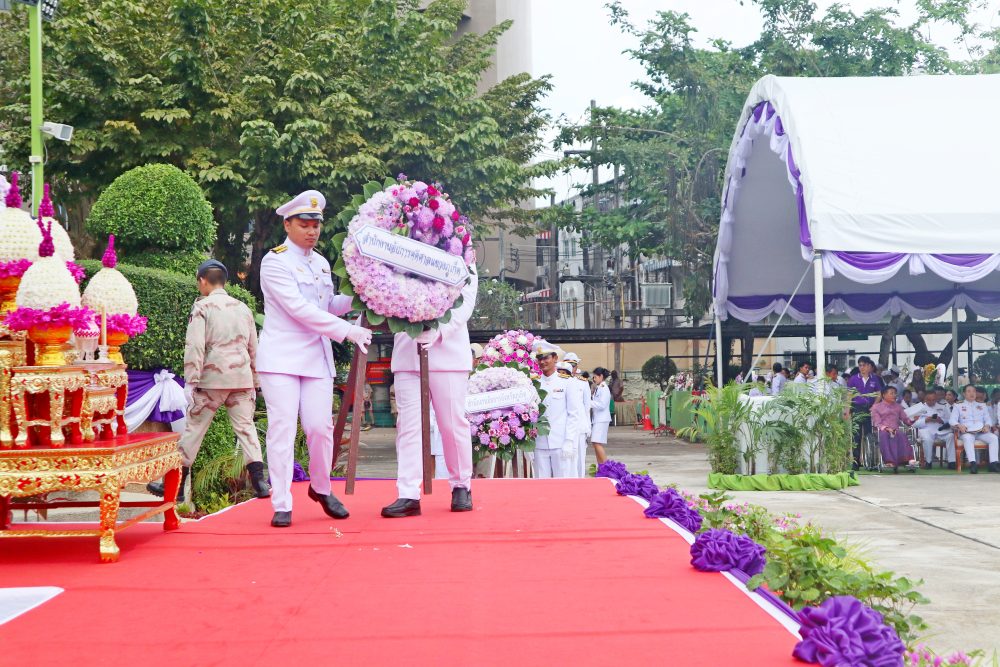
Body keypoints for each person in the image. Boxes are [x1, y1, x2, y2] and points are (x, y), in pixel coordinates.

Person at [257, 190, 373, 528]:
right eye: (304, 224)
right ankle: (282, 501)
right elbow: (298, 309)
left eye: (316, 225)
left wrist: (362, 294)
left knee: (320, 428)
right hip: (282, 358)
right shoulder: (274, 261)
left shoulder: (321, 263)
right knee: (281, 429)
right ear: (288, 225)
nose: (312, 231)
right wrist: (347, 332)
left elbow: (327, 306)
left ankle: (321, 488)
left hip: (315, 358)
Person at [146, 260, 269, 501]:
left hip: (212, 379)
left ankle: (175, 488)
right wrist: (256, 381)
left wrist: (191, 380)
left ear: (203, 280)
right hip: (241, 379)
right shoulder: (243, 308)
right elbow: (254, 348)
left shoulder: (202, 307)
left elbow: (195, 346)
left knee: (194, 430)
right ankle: (260, 483)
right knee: (246, 428)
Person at [381, 264, 479, 517]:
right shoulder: (401, 247)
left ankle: (461, 486)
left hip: (448, 353)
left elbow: (465, 301)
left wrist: (440, 331)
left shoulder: (461, 253)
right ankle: (408, 493)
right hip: (408, 350)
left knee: (452, 424)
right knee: (408, 426)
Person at [532, 341, 582, 478]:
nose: (542, 362)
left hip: (560, 442)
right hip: (539, 443)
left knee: (563, 484)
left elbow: (573, 414)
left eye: (546, 358)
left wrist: (569, 440)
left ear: (555, 358)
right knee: (541, 485)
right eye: (539, 358)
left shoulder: (567, 382)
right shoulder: (533, 383)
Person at [950, 384, 1000, 474]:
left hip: (981, 432)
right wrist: (959, 425)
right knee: (968, 438)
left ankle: (993, 464)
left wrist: (987, 425)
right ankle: (973, 464)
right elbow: (952, 420)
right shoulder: (958, 405)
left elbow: (988, 419)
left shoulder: (982, 405)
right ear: (964, 394)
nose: (972, 393)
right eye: (969, 391)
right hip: (967, 432)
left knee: (994, 438)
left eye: (974, 391)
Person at [847, 356, 883, 469]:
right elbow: (849, 395)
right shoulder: (853, 379)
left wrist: (874, 406)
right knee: (856, 436)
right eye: (860, 365)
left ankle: (870, 461)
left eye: (864, 365)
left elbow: (879, 394)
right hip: (857, 408)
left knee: (868, 435)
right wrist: (847, 410)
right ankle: (855, 462)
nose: (862, 368)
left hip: (869, 409)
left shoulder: (874, 379)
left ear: (869, 366)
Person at [870, 386, 916, 472]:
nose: (894, 395)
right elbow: (877, 422)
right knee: (885, 436)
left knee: (901, 435)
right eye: (891, 393)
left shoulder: (898, 407)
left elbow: (905, 419)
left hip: (895, 429)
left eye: (895, 393)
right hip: (882, 430)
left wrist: (913, 420)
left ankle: (908, 459)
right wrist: (886, 428)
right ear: (884, 395)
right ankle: (889, 461)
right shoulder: (876, 407)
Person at [563, 352, 592, 477]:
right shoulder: (560, 381)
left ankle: (580, 480)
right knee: (565, 458)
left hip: (579, 425)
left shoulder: (582, 382)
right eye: (568, 365)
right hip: (564, 425)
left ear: (577, 367)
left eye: (573, 365)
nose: (571, 368)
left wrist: (588, 426)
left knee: (580, 457)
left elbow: (587, 406)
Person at [911, 388, 954, 469]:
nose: (931, 402)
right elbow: (914, 424)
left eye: (933, 400)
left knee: (951, 436)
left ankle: (952, 462)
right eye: (929, 400)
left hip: (940, 429)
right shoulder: (920, 408)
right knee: (927, 439)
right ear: (925, 399)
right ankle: (928, 462)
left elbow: (950, 420)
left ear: (936, 398)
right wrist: (926, 420)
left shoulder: (943, 407)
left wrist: (941, 420)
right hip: (926, 430)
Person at [590, 367, 612, 464]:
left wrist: (589, 403)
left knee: (596, 442)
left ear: (601, 376)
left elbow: (602, 405)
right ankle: (601, 466)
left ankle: (606, 466)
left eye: (595, 377)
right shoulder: (599, 387)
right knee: (595, 443)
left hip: (602, 419)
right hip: (598, 419)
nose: (594, 379)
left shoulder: (604, 388)